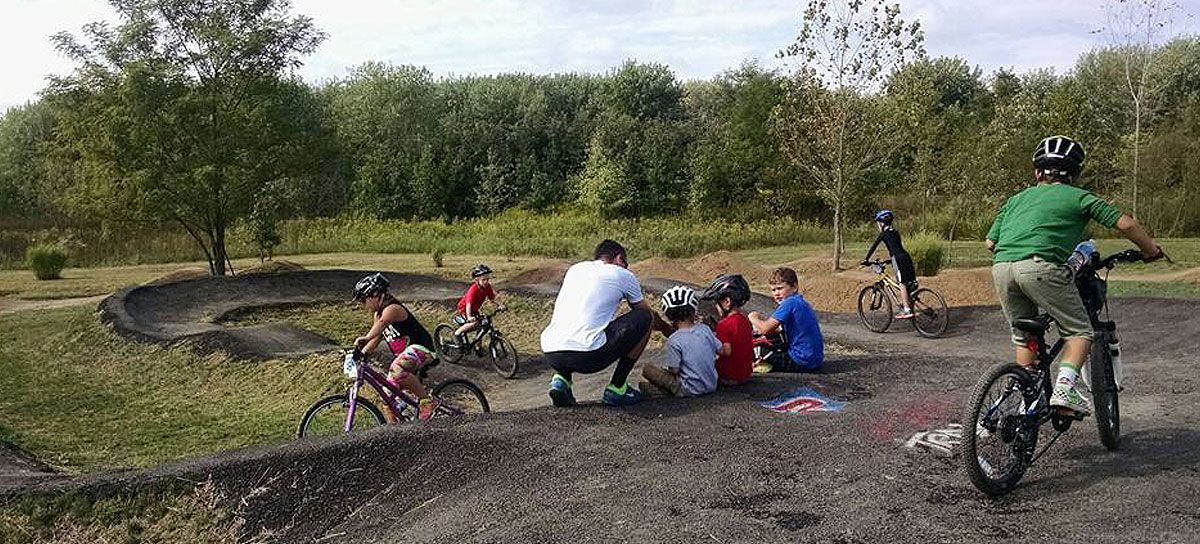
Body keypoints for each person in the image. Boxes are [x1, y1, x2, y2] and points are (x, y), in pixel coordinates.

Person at [986, 135, 1162, 416]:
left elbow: (990, 243)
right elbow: (1126, 223)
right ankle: (1064, 391)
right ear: (1075, 173)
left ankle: (1026, 402)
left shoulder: (1015, 200)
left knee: (1024, 336)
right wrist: (1151, 250)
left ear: (1037, 172)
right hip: (1041, 268)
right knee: (1080, 332)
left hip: (1001, 267)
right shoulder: (1079, 197)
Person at [540, 240, 668, 407]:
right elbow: (647, 314)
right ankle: (617, 387)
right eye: (625, 264)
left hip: (551, 353)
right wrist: (669, 330)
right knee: (646, 317)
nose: (626, 268)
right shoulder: (622, 274)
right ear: (619, 258)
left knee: (576, 325)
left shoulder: (576, 269)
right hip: (588, 357)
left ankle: (561, 380)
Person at [352, 273, 440, 421]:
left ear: (375, 295)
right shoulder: (377, 314)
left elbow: (381, 325)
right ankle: (396, 435)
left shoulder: (392, 308)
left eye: (363, 300)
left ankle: (428, 401)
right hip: (406, 356)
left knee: (397, 369)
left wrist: (365, 337)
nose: (362, 305)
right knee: (387, 399)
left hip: (423, 349)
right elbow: (375, 338)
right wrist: (361, 353)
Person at [640, 286, 720, 397]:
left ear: (669, 315)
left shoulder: (674, 340)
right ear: (693, 311)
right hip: (712, 385)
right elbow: (719, 349)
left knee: (647, 369)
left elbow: (674, 370)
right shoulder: (704, 329)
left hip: (689, 389)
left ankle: (661, 393)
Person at [747, 267, 824, 373]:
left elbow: (765, 329)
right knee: (774, 341)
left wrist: (752, 317)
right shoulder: (800, 302)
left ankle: (752, 365)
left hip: (801, 361)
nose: (776, 293)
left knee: (757, 348)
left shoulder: (790, 302)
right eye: (773, 290)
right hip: (814, 359)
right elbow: (777, 330)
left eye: (780, 288)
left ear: (794, 287)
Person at [699, 274, 754, 386]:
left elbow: (726, 351)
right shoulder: (745, 320)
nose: (716, 307)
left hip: (728, 377)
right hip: (746, 375)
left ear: (727, 301)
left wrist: (709, 341)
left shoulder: (723, 324)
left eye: (717, 303)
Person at [862, 209, 917, 319]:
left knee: (901, 283)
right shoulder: (895, 232)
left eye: (878, 223)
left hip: (898, 259)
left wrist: (866, 259)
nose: (878, 225)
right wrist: (889, 260)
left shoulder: (883, 234)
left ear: (882, 223)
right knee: (909, 283)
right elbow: (896, 247)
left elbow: (874, 246)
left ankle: (907, 310)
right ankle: (913, 304)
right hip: (906, 257)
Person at [453, 263, 506, 344]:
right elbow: (468, 304)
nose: (486, 282)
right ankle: (457, 333)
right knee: (473, 323)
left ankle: (478, 346)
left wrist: (500, 305)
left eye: (487, 279)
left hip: (474, 309)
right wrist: (470, 316)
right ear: (477, 280)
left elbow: (492, 298)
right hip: (464, 309)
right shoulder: (473, 290)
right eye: (483, 280)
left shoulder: (487, 287)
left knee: (482, 324)